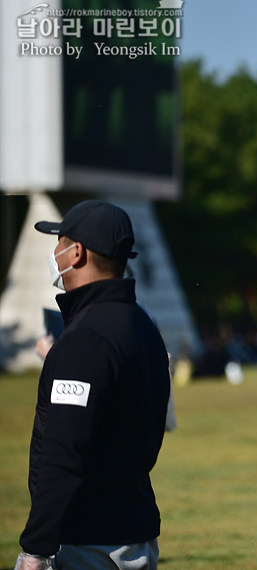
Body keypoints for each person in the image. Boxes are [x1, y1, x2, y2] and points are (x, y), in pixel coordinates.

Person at [15, 200, 170, 570]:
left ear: (77, 252)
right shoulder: (142, 325)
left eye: (59, 242)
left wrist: (35, 548)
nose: (54, 253)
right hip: (132, 528)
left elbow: (63, 451)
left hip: (90, 540)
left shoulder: (87, 338)